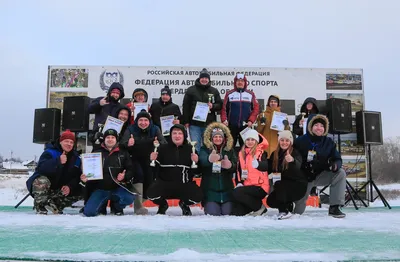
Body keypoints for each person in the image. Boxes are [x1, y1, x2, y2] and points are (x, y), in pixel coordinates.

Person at [293, 114, 347, 218]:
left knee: (340, 173)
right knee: (297, 212)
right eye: (316, 125)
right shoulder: (300, 141)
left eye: (322, 126)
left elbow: (337, 159)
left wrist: (335, 165)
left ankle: (334, 207)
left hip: (321, 175)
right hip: (304, 178)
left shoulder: (329, 143)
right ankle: (292, 205)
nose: (319, 128)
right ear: (310, 126)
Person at [147, 124, 203, 216]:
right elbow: (153, 170)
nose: (177, 136)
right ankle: (163, 205)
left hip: (184, 184)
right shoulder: (162, 148)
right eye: (174, 133)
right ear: (171, 135)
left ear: (184, 135)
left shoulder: (191, 149)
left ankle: (184, 204)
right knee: (151, 193)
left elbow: (197, 172)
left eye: (180, 133)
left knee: (198, 196)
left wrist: (196, 162)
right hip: (165, 184)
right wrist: (152, 160)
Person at [26, 130, 83, 214]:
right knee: (41, 180)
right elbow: (41, 168)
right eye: (66, 141)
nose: (69, 144)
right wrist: (58, 161)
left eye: (71, 142)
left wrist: (69, 186)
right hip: (48, 186)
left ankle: (56, 204)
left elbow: (76, 176)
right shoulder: (49, 153)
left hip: (59, 188)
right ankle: (40, 205)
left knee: (82, 189)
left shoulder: (76, 158)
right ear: (60, 142)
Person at [82, 129, 135, 217]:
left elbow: (131, 169)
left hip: (117, 188)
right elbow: (89, 171)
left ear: (116, 139)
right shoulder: (96, 152)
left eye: (112, 137)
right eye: (108, 137)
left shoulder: (123, 153)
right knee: (89, 213)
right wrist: (85, 178)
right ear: (104, 139)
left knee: (129, 198)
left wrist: (124, 176)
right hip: (101, 189)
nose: (110, 139)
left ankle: (117, 207)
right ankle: (101, 205)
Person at [120, 110, 167, 201]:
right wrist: (128, 143)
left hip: (149, 158)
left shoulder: (155, 129)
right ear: (137, 121)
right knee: (139, 175)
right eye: (140, 120)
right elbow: (122, 143)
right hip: (134, 158)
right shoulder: (130, 129)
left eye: (146, 120)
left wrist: (158, 143)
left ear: (149, 121)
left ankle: (144, 198)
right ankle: (138, 203)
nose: (143, 123)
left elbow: (164, 143)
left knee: (149, 176)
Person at [266, 130, 308, 220]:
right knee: (270, 201)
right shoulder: (275, 154)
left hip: (298, 185)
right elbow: (268, 166)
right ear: (279, 141)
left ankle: (284, 211)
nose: (284, 143)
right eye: (282, 140)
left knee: (279, 184)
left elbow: (298, 164)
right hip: (283, 187)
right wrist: (257, 164)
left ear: (290, 142)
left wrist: (292, 160)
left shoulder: (295, 153)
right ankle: (287, 205)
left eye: (287, 140)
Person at [198, 122, 237, 216]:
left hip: (227, 192)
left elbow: (235, 166)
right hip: (210, 192)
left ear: (224, 138)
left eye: (220, 137)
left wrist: (230, 165)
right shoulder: (204, 149)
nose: (218, 139)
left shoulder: (229, 150)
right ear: (211, 138)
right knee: (213, 214)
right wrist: (209, 159)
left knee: (228, 213)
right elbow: (202, 161)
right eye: (215, 137)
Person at [182, 68, 223, 153]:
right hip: (194, 125)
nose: (204, 80)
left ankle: (207, 165)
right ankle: (196, 165)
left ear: (209, 79)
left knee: (208, 146)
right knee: (195, 146)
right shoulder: (191, 90)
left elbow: (220, 105)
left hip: (209, 124)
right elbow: (186, 106)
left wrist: (213, 106)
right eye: (202, 78)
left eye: (206, 78)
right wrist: (186, 121)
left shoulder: (214, 91)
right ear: (199, 78)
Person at [231, 129, 270, 216]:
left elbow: (266, 166)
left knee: (236, 193)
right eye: (248, 139)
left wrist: (259, 165)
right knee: (236, 212)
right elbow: (239, 170)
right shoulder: (241, 153)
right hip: (247, 186)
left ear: (256, 141)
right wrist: (239, 182)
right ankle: (253, 205)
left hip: (260, 186)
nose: (250, 142)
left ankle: (259, 207)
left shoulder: (261, 153)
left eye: (252, 140)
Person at [221, 73, 259, 150]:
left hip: (245, 127)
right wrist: (224, 120)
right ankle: (230, 162)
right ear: (235, 82)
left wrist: (251, 120)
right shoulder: (229, 94)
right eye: (238, 81)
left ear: (245, 83)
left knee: (245, 148)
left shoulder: (250, 94)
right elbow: (224, 109)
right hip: (231, 126)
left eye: (242, 81)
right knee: (229, 148)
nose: (240, 82)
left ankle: (244, 162)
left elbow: (256, 109)